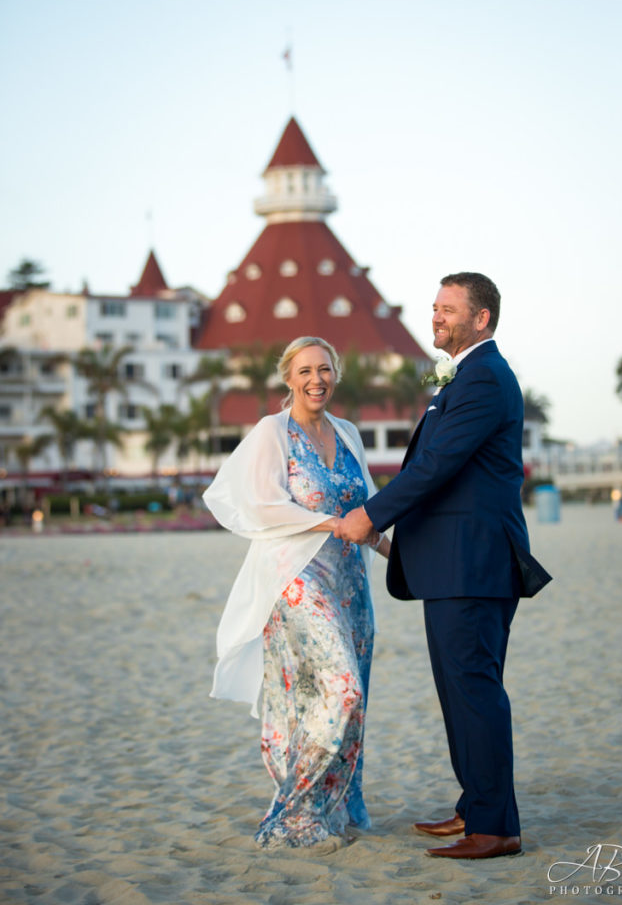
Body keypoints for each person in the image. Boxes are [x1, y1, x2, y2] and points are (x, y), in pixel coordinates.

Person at [337, 272, 551, 861]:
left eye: (448, 309)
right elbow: (435, 463)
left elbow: (436, 465)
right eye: (434, 307)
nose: (436, 317)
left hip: (473, 563)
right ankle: (476, 807)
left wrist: (370, 516)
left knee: (475, 691)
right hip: (452, 564)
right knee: (459, 692)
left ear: (481, 318)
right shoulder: (465, 374)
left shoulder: (484, 378)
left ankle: (496, 827)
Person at [203, 336, 389, 850]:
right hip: (297, 578)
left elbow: (367, 510)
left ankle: (333, 806)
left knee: (349, 699)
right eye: (305, 370)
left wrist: (403, 554)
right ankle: (293, 814)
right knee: (340, 690)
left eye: (325, 369)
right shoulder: (272, 431)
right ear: (288, 378)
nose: (316, 379)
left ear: (336, 375)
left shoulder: (348, 433)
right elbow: (258, 505)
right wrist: (329, 522)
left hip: (351, 580)